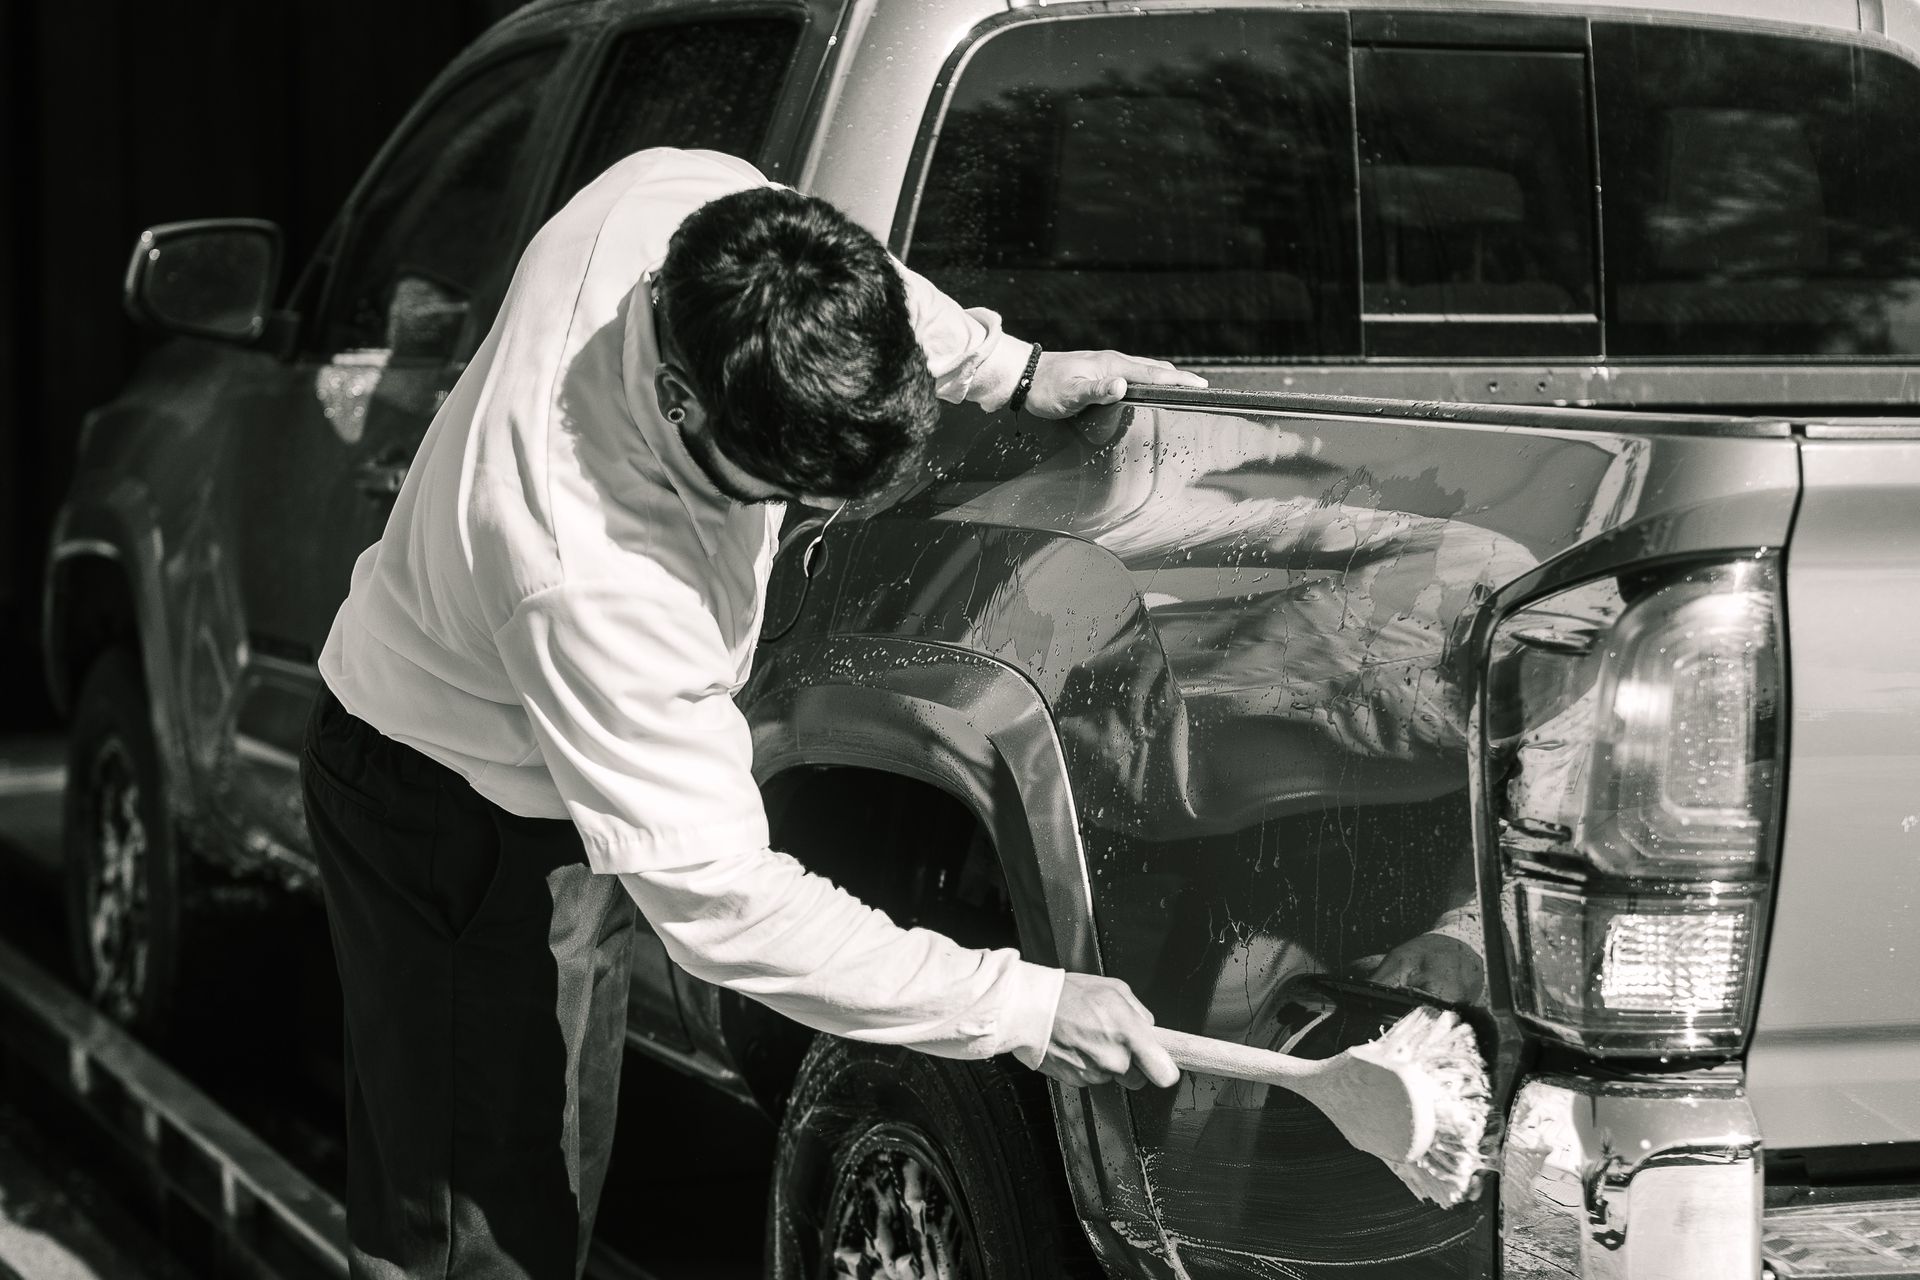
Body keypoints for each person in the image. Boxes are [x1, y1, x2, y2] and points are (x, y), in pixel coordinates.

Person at [300, 147, 1196, 1279]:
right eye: (778, 491)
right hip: (441, 806)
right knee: (474, 1232)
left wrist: (1013, 369)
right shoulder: (589, 566)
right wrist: (1018, 1002)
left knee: (561, 1168)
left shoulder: (685, 201)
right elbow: (723, 905)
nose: (793, 520)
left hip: (563, 794)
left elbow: (852, 284)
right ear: (681, 404)